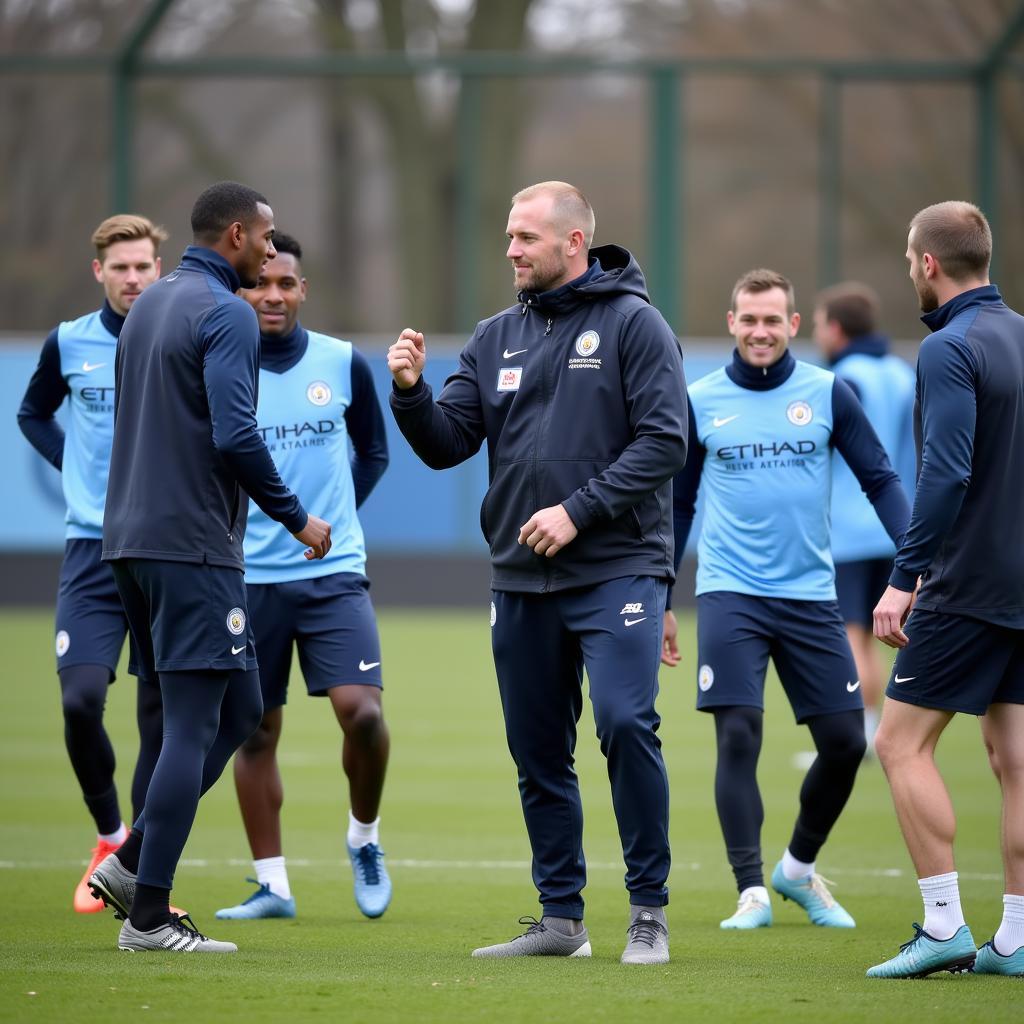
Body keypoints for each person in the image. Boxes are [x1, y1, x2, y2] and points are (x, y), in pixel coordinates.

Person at [388, 181, 687, 965]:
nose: (512, 250)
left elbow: (664, 443)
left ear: (573, 243)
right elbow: (448, 442)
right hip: (521, 577)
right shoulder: (493, 336)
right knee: (537, 752)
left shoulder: (636, 325)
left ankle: (648, 912)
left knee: (625, 723)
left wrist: (577, 510)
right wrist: (412, 393)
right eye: (510, 238)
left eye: (526, 237)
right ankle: (562, 921)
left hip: (618, 566)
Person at [87, 182, 332, 954]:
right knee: (197, 722)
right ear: (235, 235)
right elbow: (234, 433)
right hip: (190, 545)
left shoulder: (150, 304)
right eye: (264, 238)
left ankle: (130, 864)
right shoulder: (226, 311)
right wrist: (297, 516)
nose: (271, 248)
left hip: (127, 539)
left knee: (241, 707)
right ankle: (150, 917)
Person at [665, 268, 910, 932]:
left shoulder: (830, 392)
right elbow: (680, 505)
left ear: (794, 326)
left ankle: (797, 870)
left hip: (809, 595)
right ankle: (751, 890)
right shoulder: (701, 400)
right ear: (732, 323)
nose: (761, 331)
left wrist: (916, 564)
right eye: (750, 319)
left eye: (773, 320)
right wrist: (662, 592)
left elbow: (881, 479)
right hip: (729, 594)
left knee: (842, 743)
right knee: (738, 733)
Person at [214, 232, 392, 922]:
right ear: (241, 291)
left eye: (285, 283)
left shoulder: (342, 363)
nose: (273, 296)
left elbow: (374, 452)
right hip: (247, 578)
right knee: (255, 731)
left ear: (303, 289)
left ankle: (364, 838)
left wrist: (335, 523)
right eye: (260, 284)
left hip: (334, 573)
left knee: (364, 714)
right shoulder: (223, 368)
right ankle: (272, 886)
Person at [868, 201, 1024, 979]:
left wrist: (904, 579)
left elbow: (946, 472)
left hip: (968, 586)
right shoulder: (1022, 336)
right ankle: (1017, 938)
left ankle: (943, 927)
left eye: (908, 258)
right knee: (1015, 756)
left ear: (928, 263)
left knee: (900, 743)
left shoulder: (948, 348)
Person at [17, 214, 168, 914]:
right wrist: (73, 466)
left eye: (144, 266)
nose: (134, 278)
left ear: (159, 268)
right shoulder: (69, 342)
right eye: (121, 267)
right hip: (90, 551)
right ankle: (109, 837)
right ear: (98, 272)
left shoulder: (179, 331)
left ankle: (142, 866)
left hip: (164, 549)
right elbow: (34, 414)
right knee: (80, 698)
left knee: (159, 714)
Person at [812, 283, 916, 752]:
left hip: (851, 531)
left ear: (835, 328)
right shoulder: (900, 372)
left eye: (817, 323)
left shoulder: (843, 378)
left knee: (851, 635)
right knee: (885, 637)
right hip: (898, 527)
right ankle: (877, 734)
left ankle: (858, 735)